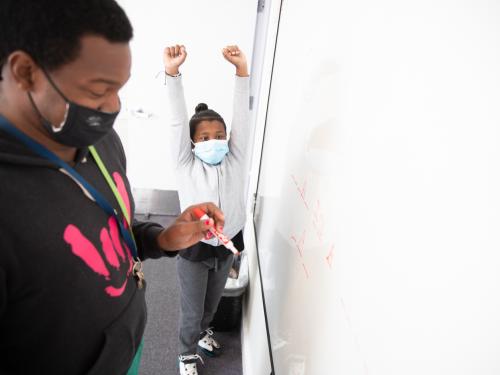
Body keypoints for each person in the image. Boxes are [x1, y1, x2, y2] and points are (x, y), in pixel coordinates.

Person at [0, 1, 224, 374]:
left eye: (120, 88)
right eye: (98, 90)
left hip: (124, 351)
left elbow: (112, 228)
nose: (113, 107)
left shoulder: (100, 140)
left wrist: (161, 239)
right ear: (26, 72)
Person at [163, 44, 250, 374]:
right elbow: (175, 122)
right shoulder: (185, 164)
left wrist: (242, 71)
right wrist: (173, 74)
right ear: (193, 143)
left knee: (212, 304)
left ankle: (202, 334)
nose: (214, 140)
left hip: (226, 244)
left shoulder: (235, 161)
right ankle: (186, 353)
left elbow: (244, 115)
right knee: (191, 307)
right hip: (194, 247)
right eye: (206, 137)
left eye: (220, 135)